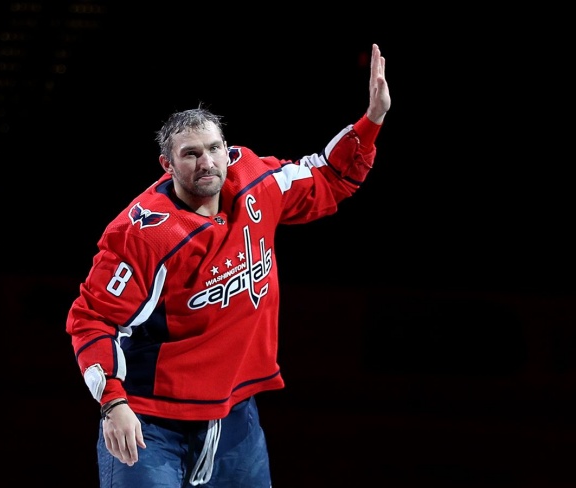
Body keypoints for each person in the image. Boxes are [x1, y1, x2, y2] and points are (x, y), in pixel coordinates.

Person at [66, 43, 391, 487]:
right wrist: (112, 402)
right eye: (191, 154)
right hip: (149, 420)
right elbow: (92, 320)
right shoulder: (143, 234)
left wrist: (372, 119)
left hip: (235, 416)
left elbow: (328, 178)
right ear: (167, 164)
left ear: (227, 149)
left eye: (214, 148)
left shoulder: (255, 180)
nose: (207, 163)